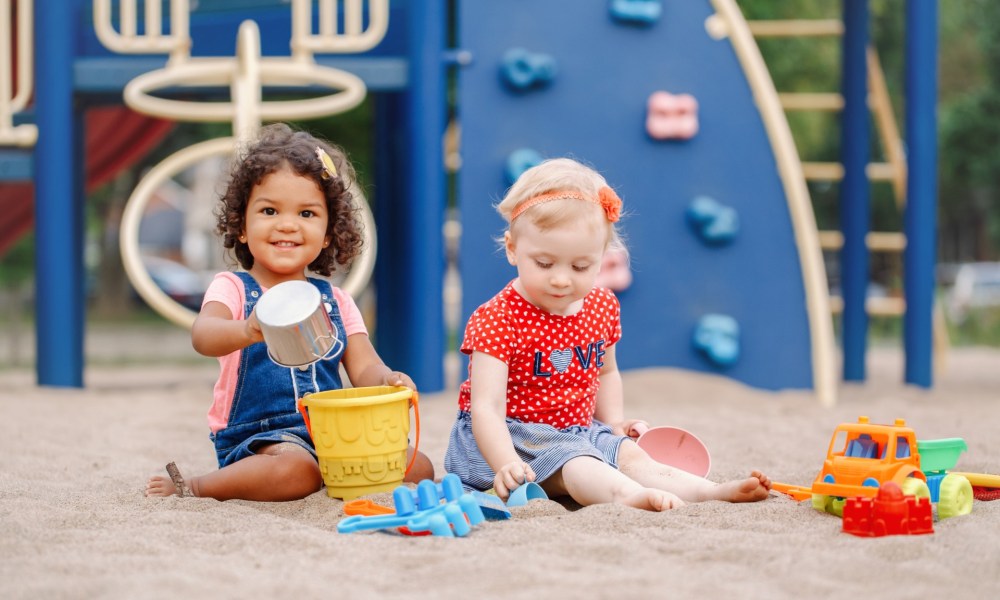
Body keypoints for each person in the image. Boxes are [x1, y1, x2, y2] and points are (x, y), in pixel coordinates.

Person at [444, 158, 771, 512]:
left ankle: (709, 491)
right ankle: (626, 497)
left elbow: (605, 372)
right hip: (512, 439)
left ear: (601, 258)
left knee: (631, 455)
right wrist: (505, 462)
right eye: (544, 263)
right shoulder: (498, 318)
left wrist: (614, 422)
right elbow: (486, 408)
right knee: (579, 463)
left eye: (581, 266)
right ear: (512, 249)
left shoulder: (600, 306)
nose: (561, 278)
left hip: (578, 429)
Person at [147, 123, 433, 501]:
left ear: (329, 232)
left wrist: (388, 379)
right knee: (295, 471)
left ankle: (331, 474)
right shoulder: (233, 288)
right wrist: (247, 330)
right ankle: (197, 486)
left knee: (419, 465)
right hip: (260, 438)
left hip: (332, 433)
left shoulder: (336, 300)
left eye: (307, 214)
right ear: (243, 227)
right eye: (269, 210)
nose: (288, 224)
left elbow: (364, 367)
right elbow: (204, 336)